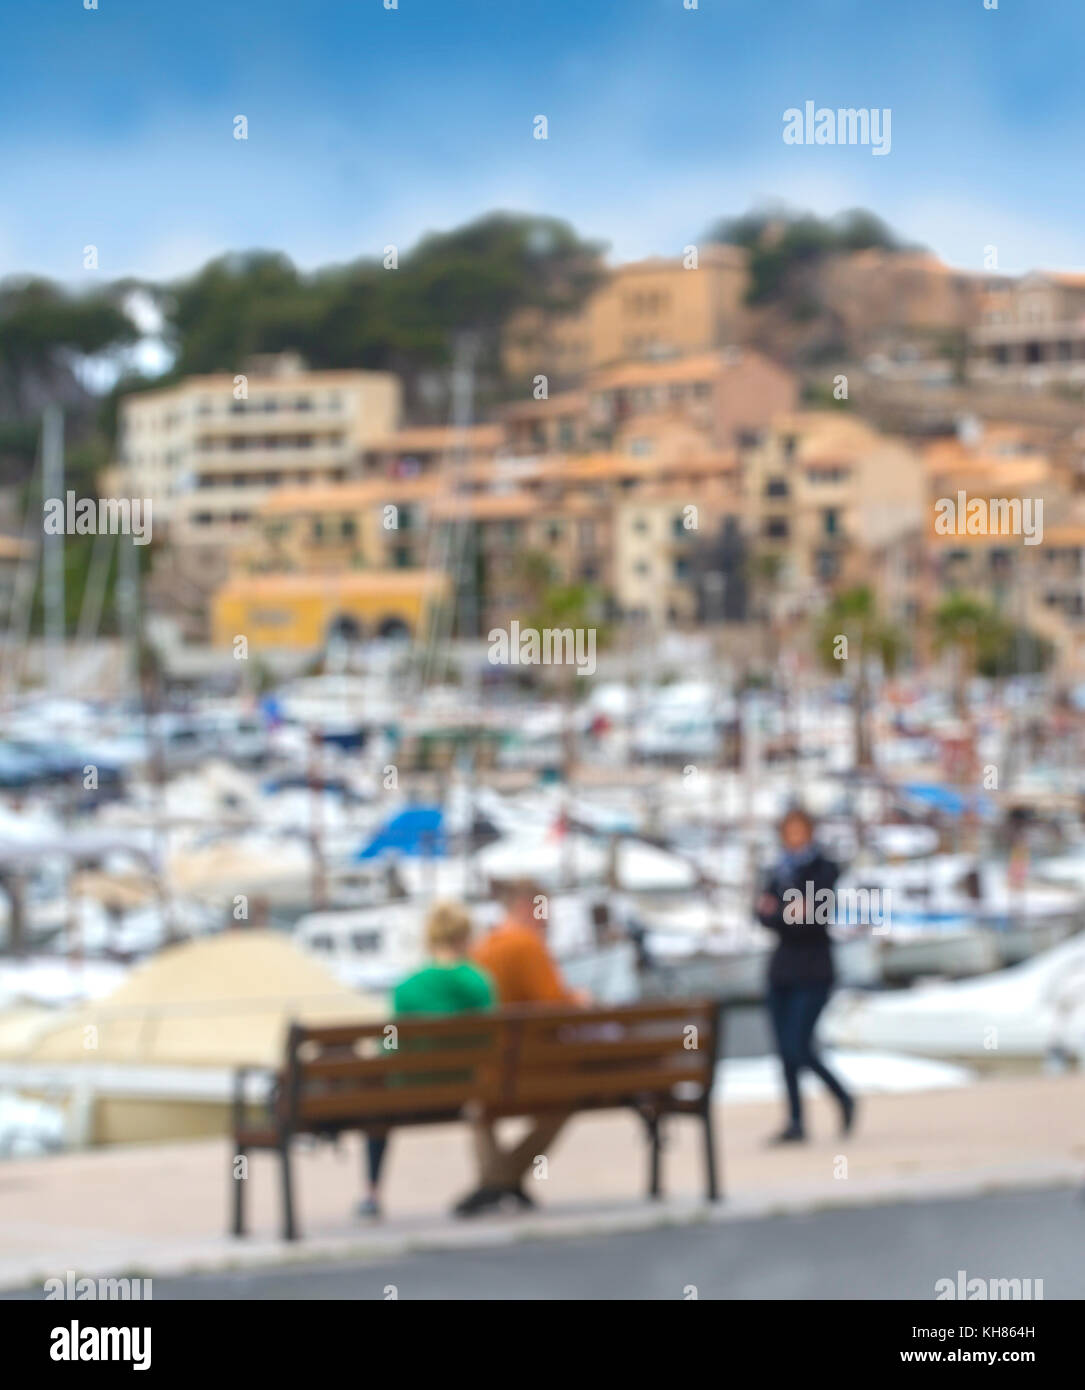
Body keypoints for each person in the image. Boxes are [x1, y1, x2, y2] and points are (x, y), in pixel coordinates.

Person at [455, 878, 590, 1216]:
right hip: (529, 1069)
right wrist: (580, 999)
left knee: (480, 1110)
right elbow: (554, 1006)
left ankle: (494, 1182)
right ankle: (503, 1180)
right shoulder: (526, 945)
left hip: (487, 1069)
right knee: (566, 1101)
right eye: (544, 911)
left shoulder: (483, 947)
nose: (548, 920)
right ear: (529, 906)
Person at [359, 900, 494, 1219]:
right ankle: (496, 1179)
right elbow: (492, 1040)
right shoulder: (478, 982)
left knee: (375, 1107)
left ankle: (372, 1193)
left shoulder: (407, 987)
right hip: (470, 1091)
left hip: (411, 1092)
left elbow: (390, 1047)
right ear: (465, 937)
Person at [755, 808, 856, 1144]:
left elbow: (814, 918)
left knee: (799, 1046)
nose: (794, 836)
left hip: (814, 971)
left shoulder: (823, 868)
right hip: (781, 971)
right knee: (785, 1050)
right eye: (789, 830)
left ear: (810, 832)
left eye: (799, 830)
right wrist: (788, 912)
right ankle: (796, 1121)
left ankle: (842, 1095)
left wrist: (782, 913)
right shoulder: (778, 869)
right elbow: (762, 912)